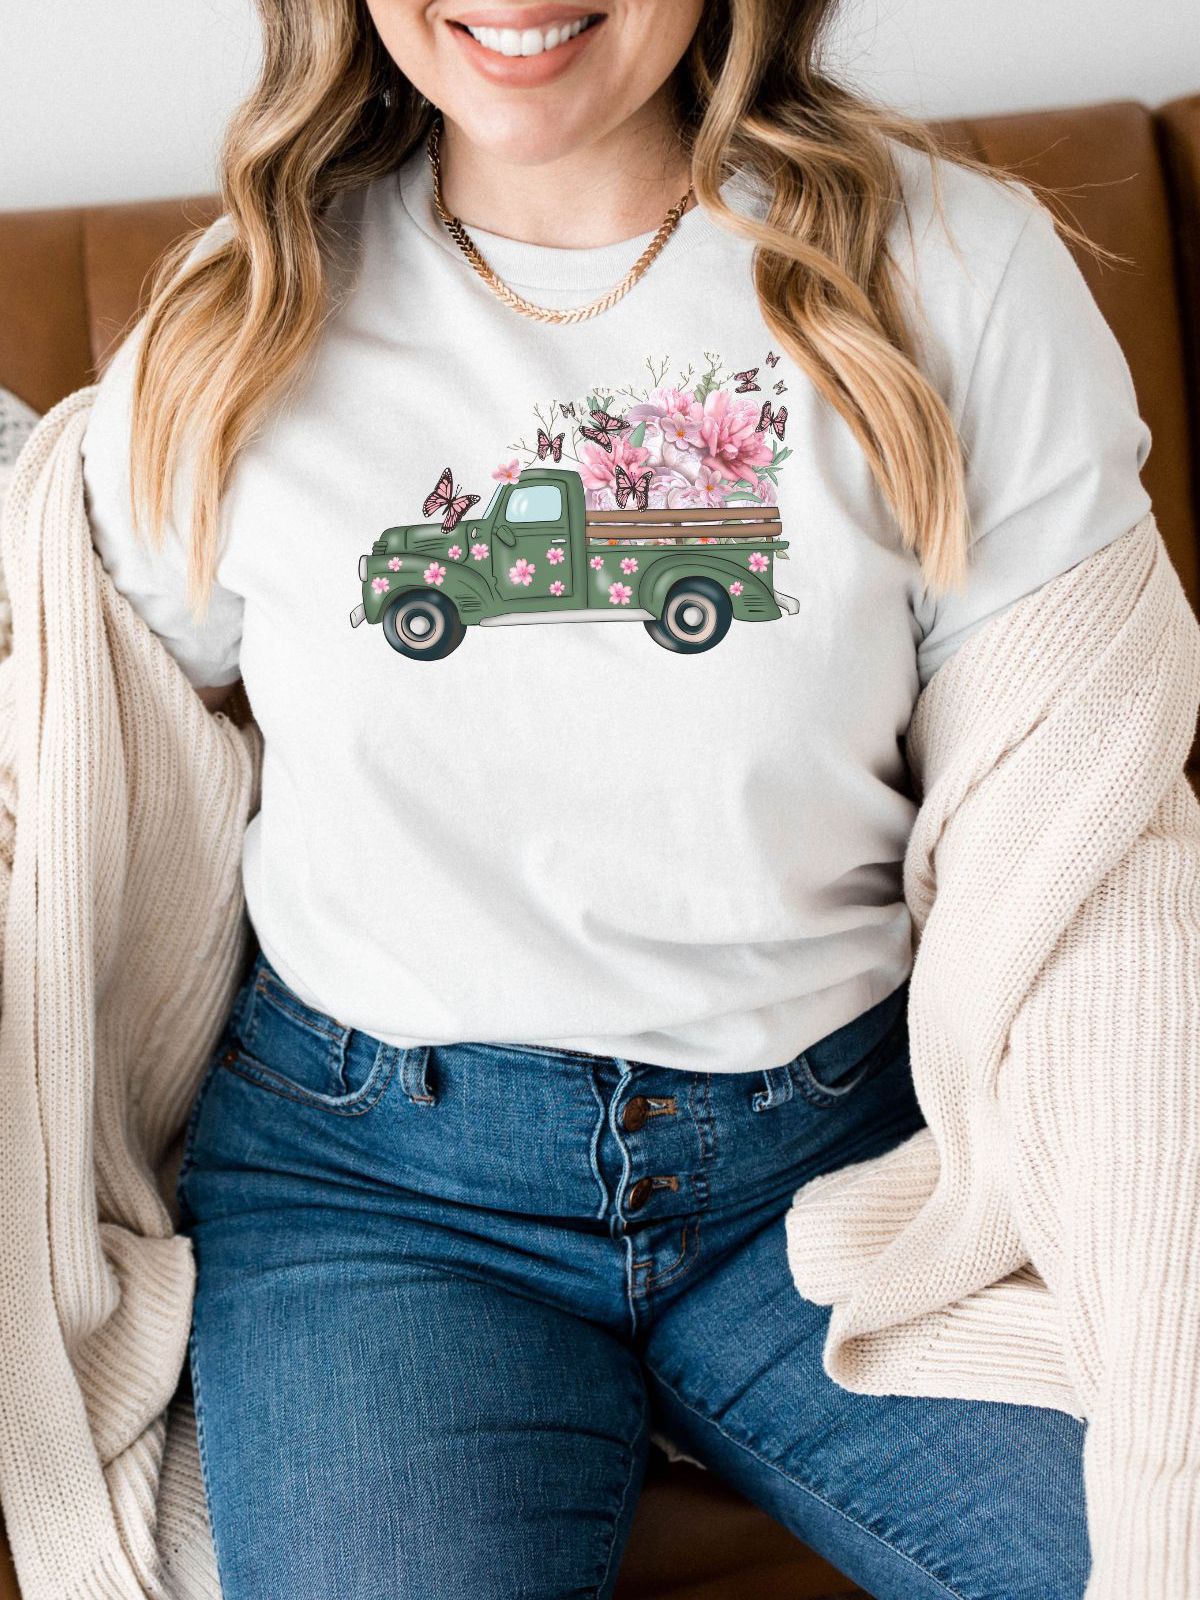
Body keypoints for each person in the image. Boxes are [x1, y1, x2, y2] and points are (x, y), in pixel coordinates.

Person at [78, 2, 1152, 1595]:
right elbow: (71, 687)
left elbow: (1077, 798)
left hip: (850, 1161)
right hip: (380, 1192)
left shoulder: (950, 276)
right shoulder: (246, 312)